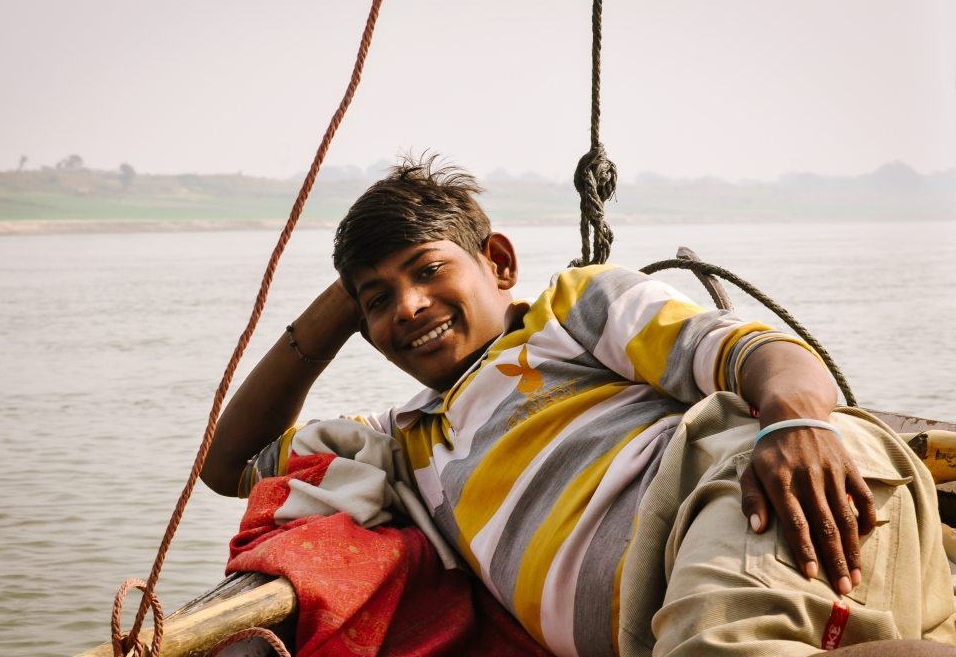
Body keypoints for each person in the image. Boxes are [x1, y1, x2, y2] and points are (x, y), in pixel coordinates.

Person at [202, 155, 955, 656]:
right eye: (380, 301)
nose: (409, 306)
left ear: (498, 264)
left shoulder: (570, 310)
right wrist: (347, 291)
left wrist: (793, 420)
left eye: (429, 271)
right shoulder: (400, 443)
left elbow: (757, 353)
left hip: (755, 492)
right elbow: (227, 464)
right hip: (686, 611)